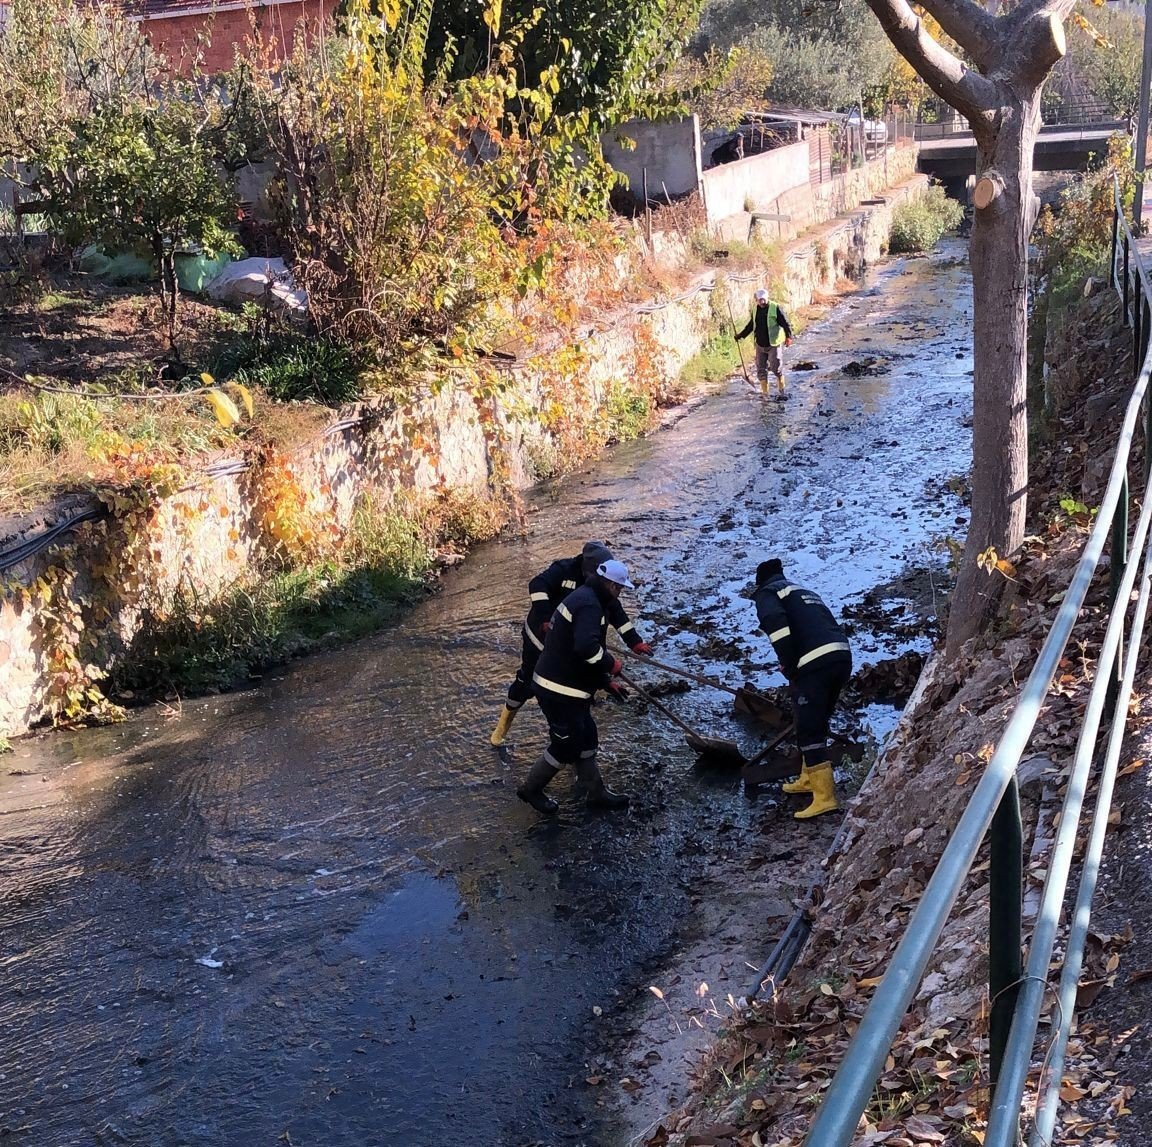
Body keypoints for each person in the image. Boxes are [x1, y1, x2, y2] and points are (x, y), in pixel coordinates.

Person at [490, 542, 652, 746]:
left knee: (576, 684)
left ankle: (570, 737)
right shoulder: (564, 570)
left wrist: (634, 642)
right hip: (539, 639)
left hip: (568, 644)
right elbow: (537, 585)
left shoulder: (601, 590)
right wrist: (545, 618)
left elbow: (615, 613)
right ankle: (503, 726)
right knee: (526, 684)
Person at [516, 559, 639, 815]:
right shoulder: (589, 605)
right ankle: (531, 789)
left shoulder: (590, 598)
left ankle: (596, 792)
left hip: (570, 688)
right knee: (566, 745)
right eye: (619, 588)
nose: (619, 593)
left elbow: (580, 652)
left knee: (587, 736)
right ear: (610, 585)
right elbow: (586, 648)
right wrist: (611, 665)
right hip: (556, 690)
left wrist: (605, 682)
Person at [752, 558, 852, 819]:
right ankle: (808, 778)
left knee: (808, 729)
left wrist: (788, 664)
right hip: (841, 658)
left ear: (759, 582)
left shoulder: (768, 593)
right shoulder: (800, 591)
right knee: (815, 721)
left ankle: (825, 798)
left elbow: (776, 626)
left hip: (815, 664)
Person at [736, 288, 794, 399]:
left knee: (776, 368)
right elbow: (751, 326)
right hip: (760, 344)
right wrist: (740, 336)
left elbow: (785, 323)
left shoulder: (775, 308)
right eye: (760, 300)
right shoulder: (755, 310)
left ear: (767, 298)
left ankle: (781, 390)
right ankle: (765, 394)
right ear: (757, 300)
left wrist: (789, 337)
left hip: (773, 344)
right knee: (761, 369)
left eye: (763, 300)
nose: (762, 302)